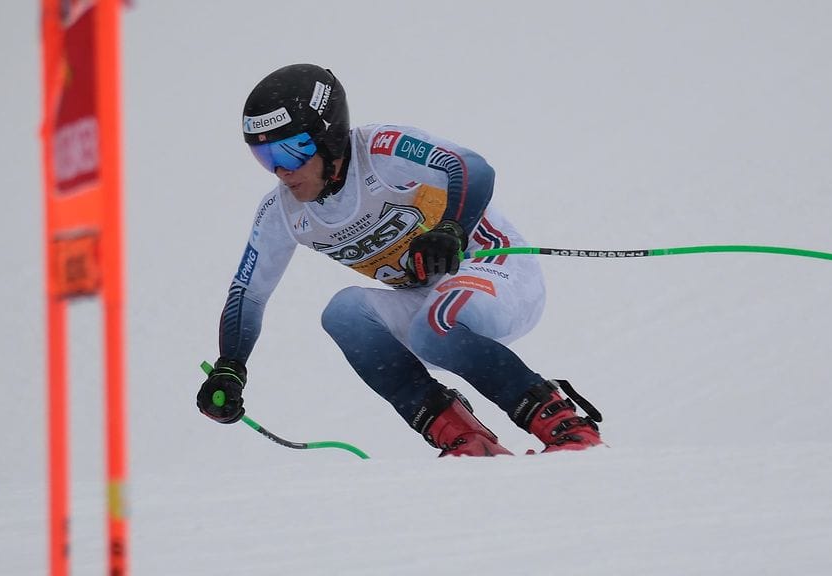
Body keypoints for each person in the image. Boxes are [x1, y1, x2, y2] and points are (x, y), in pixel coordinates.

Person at [196, 63, 602, 456]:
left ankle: (566, 425)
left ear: (328, 137)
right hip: (432, 303)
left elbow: (472, 168)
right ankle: (464, 438)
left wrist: (452, 229)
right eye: (265, 157)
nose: (282, 172)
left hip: (500, 275)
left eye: (291, 152)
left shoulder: (380, 149)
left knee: (433, 325)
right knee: (343, 313)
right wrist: (231, 366)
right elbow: (248, 293)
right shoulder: (282, 212)